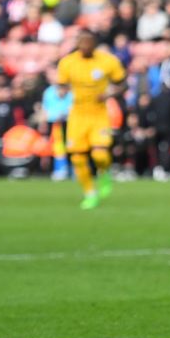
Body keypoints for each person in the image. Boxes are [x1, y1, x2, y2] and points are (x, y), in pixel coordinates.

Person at [56, 29, 126, 209]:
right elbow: (61, 85)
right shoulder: (68, 62)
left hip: (99, 113)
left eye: (89, 42)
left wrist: (110, 92)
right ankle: (90, 193)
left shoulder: (107, 61)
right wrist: (62, 92)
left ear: (94, 44)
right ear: (77, 44)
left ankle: (105, 172)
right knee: (77, 158)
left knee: (100, 154)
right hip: (78, 114)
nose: (85, 46)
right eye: (82, 42)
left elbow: (122, 83)